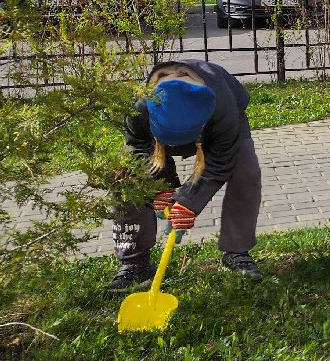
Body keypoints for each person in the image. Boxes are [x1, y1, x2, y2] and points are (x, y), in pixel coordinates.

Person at [107, 60, 264, 290]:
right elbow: (138, 148)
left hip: (221, 123)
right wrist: (162, 187)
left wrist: (189, 202)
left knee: (246, 171)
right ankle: (135, 263)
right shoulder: (139, 107)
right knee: (125, 176)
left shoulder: (222, 108)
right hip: (157, 136)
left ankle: (237, 253)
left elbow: (220, 161)